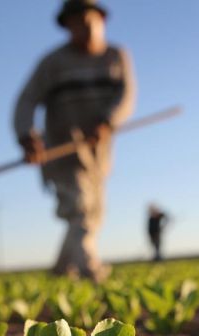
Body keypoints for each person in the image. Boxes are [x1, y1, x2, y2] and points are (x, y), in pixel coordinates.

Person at [13, 0, 136, 282]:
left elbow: (126, 96)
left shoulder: (117, 56)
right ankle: (89, 270)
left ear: (101, 20)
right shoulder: (53, 63)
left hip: (99, 152)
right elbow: (26, 100)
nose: (84, 28)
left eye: (88, 20)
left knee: (93, 212)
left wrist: (108, 121)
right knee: (79, 208)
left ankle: (60, 269)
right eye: (76, 23)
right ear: (67, 26)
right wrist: (26, 135)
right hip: (62, 150)